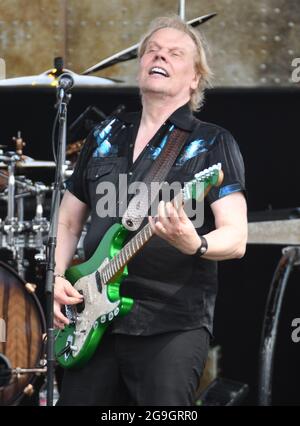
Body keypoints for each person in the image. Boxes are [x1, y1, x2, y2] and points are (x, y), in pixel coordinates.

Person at [54, 16, 247, 406]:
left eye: (175, 53)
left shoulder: (210, 143)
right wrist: (56, 278)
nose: (160, 55)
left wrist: (197, 244)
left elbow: (236, 235)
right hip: (89, 317)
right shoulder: (105, 135)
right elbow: (68, 219)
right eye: (152, 50)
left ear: (195, 79)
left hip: (170, 323)